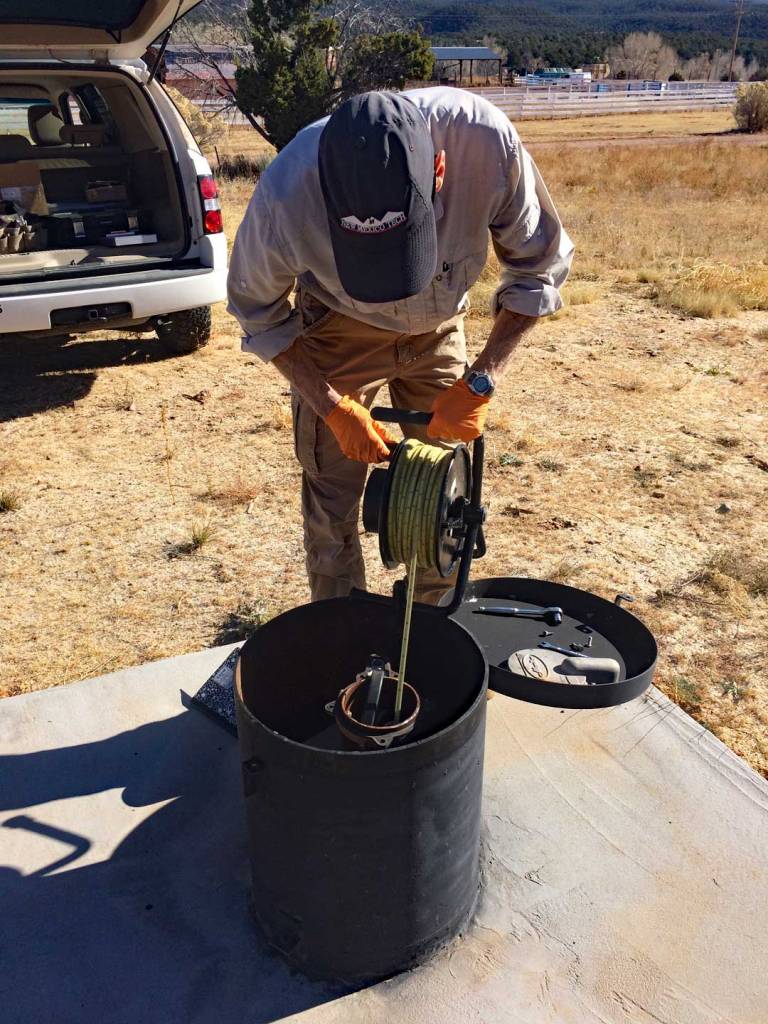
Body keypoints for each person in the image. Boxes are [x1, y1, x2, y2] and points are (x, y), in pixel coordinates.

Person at [228, 88, 573, 603]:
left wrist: (481, 381)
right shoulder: (287, 193)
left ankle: (429, 626)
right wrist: (331, 406)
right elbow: (257, 309)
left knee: (440, 495)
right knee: (330, 495)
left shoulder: (484, 145)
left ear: (439, 170)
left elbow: (538, 268)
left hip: (440, 321)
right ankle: (339, 628)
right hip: (340, 325)